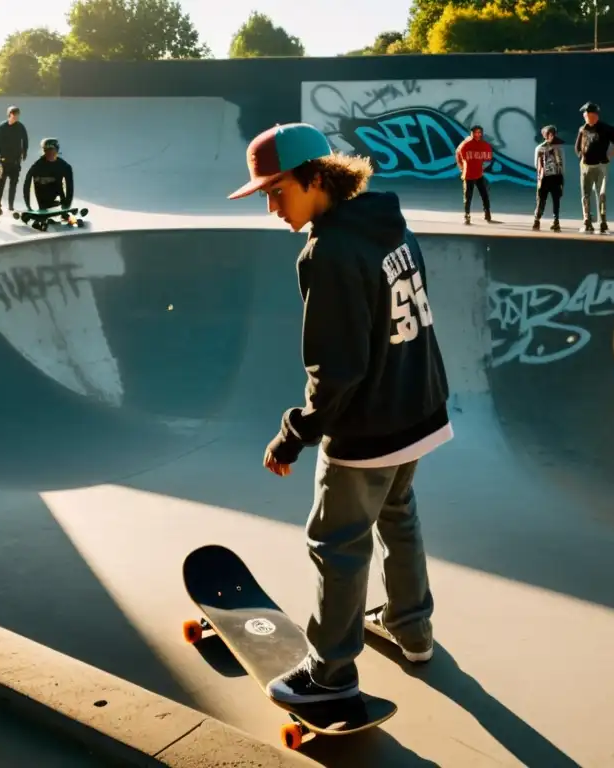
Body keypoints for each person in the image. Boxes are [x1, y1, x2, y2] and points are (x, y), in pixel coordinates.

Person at [227, 122, 452, 705]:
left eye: (276, 191)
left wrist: (293, 434)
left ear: (314, 178)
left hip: (370, 424)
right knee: (398, 515)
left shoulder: (327, 252)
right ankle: (412, 627)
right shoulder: (390, 224)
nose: (272, 207)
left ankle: (330, 673)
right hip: (419, 406)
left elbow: (337, 370)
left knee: (337, 542)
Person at [574, 102, 614, 234]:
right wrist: (582, 157)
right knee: (585, 195)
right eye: (586, 116)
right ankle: (587, 221)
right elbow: (577, 147)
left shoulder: (606, 128)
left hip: (601, 165)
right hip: (586, 166)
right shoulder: (583, 129)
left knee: (601, 193)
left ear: (596, 116)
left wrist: (610, 155)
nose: (588, 119)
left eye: (590, 116)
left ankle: (602, 222)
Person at [0, 105, 29, 215]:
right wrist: (1, 155)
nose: (15, 117)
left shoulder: (20, 127)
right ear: (9, 115)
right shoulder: (2, 127)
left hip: (15, 161)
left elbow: (25, 139)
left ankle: (11, 206)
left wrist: (25, 151)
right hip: (4, 161)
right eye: (13, 115)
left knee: (13, 184)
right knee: (1, 182)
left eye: (17, 115)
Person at [455, 125, 493, 225]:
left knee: (485, 195)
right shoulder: (465, 145)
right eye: (475, 132)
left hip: (479, 175)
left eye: (479, 132)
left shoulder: (483, 145)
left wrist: (482, 166)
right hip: (468, 176)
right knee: (468, 196)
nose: (477, 134)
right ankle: (467, 215)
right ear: (471, 133)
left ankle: (487, 213)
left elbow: (488, 158)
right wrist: (462, 168)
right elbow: (458, 155)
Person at [22, 138, 74, 211]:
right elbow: (26, 186)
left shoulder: (65, 166)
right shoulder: (37, 166)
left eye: (52, 151)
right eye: (47, 151)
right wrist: (29, 206)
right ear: (44, 151)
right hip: (42, 202)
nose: (50, 154)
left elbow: (70, 188)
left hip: (58, 200)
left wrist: (67, 205)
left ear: (57, 151)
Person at [533, 124, 565, 232]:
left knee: (556, 200)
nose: (551, 137)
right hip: (544, 178)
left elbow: (562, 163)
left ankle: (556, 221)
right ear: (545, 135)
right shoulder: (540, 148)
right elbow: (536, 164)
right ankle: (537, 220)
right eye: (549, 134)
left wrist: (561, 178)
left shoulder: (558, 147)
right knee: (541, 200)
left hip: (555, 177)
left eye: (553, 134)